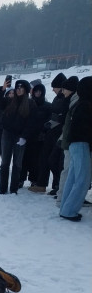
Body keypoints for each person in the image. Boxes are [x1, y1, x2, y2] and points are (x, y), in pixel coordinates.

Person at [29, 72, 68, 194]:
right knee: (45, 160)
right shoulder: (57, 99)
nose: (53, 90)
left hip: (59, 135)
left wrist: (53, 121)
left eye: (54, 87)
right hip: (50, 134)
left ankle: (57, 185)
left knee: (56, 162)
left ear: (61, 87)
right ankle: (42, 184)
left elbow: (63, 117)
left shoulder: (66, 100)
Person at [59, 76, 91, 221]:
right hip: (81, 144)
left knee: (72, 178)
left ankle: (65, 207)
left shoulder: (78, 104)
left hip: (74, 144)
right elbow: (86, 129)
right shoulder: (86, 106)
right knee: (82, 179)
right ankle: (69, 210)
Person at [0, 79, 37, 194]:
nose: (19, 89)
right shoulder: (10, 101)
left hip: (20, 136)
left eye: (21, 87)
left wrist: (24, 136)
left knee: (17, 164)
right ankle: (2, 188)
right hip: (7, 134)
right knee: (5, 162)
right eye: (17, 87)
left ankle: (14, 188)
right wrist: (2, 89)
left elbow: (31, 122)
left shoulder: (30, 103)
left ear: (25, 90)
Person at [20, 82, 51, 187]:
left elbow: (49, 121)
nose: (38, 93)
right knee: (23, 159)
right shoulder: (27, 103)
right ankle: (20, 179)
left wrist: (44, 131)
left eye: (40, 91)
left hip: (39, 137)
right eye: (36, 91)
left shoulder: (47, 106)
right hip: (27, 135)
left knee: (36, 160)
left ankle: (34, 180)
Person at [56, 76, 80, 206]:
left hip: (72, 141)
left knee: (70, 171)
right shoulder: (71, 100)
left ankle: (64, 198)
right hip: (70, 142)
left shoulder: (75, 101)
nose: (62, 91)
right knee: (69, 171)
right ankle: (63, 199)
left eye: (64, 89)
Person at [0, 78, 14, 170]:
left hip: (11, 130)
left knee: (8, 149)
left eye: (13, 93)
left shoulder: (17, 104)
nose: (11, 95)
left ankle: (5, 165)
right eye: (9, 93)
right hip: (0, 129)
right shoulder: (1, 103)